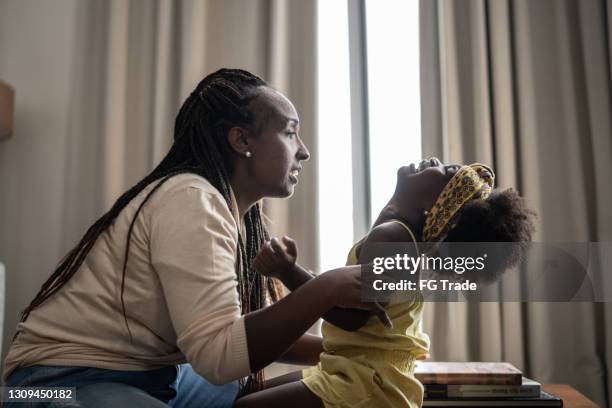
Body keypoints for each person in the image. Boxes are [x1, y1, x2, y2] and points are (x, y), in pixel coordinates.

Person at [2, 68, 390, 408]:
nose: (303, 151)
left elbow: (234, 335)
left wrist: (340, 351)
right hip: (53, 383)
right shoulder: (192, 199)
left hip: (148, 376)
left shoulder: (231, 212)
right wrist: (324, 289)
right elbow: (220, 356)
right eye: (290, 133)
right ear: (242, 141)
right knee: (228, 375)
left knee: (237, 385)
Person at [235, 158, 536, 408]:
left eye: (443, 171)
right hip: (361, 367)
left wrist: (287, 272)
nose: (434, 161)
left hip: (369, 378)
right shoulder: (395, 234)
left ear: (438, 208)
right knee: (247, 396)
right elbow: (343, 292)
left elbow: (352, 317)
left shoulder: (393, 237)